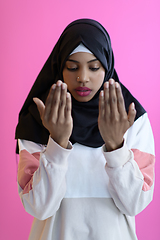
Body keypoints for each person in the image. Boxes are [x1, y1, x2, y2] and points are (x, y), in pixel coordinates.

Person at [15, 19, 155, 240]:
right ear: (59, 66)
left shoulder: (130, 118)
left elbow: (135, 203)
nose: (82, 77)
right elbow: (38, 207)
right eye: (72, 67)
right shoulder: (40, 118)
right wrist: (57, 144)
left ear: (107, 65)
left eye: (93, 67)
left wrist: (116, 147)